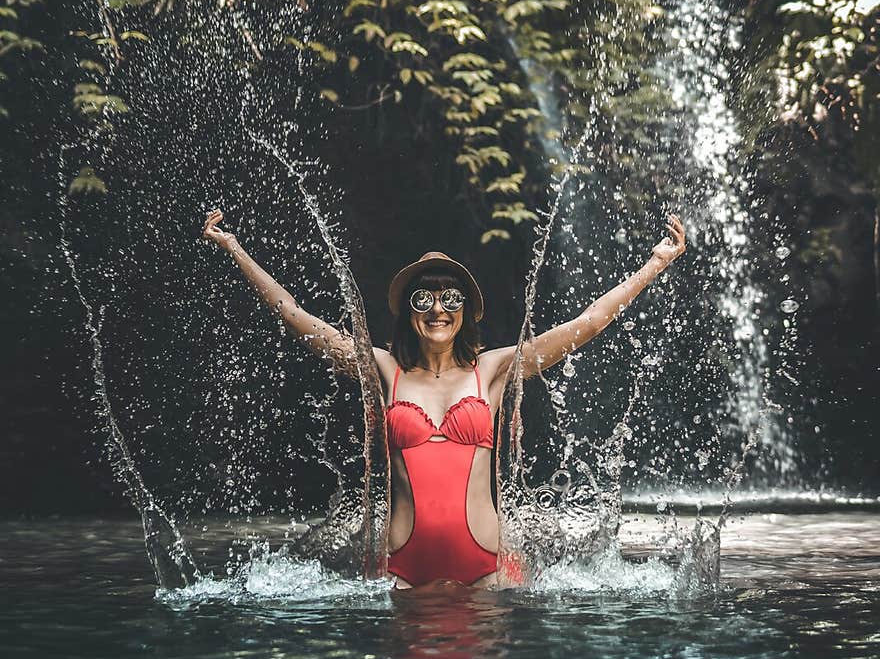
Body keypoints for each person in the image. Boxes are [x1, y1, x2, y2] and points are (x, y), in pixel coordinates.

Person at [201, 209, 687, 589]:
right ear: (408, 311)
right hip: (400, 572)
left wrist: (657, 262)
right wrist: (235, 248)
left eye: (451, 298)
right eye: (423, 299)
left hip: (489, 568)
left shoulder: (492, 370)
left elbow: (586, 325)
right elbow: (298, 318)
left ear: (466, 313)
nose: (437, 309)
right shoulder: (383, 370)